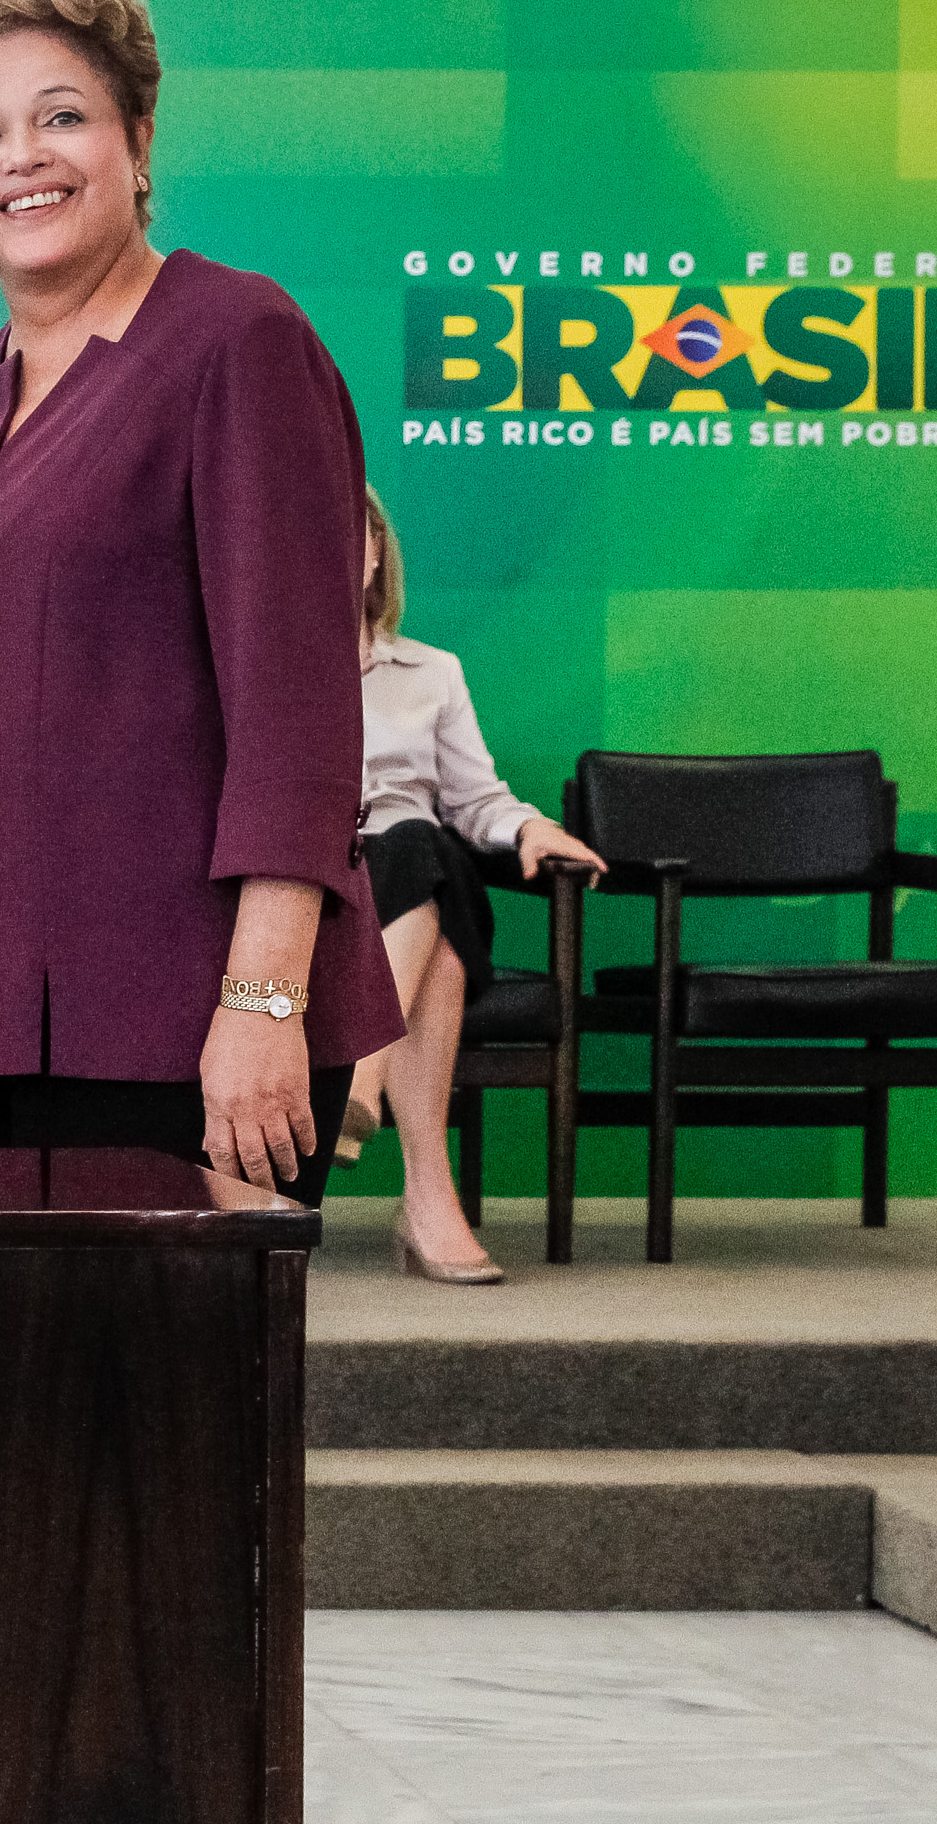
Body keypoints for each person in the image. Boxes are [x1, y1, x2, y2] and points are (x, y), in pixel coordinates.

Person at [0, 0, 395, 1196]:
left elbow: (296, 721)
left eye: (60, 116)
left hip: (190, 1012)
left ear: (136, 134)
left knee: (181, 1391)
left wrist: (262, 1005)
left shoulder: (238, 340)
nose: (21, 159)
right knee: (23, 1388)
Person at [338, 486, 606, 1280]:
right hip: (324, 903)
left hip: (418, 869)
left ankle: (363, 1080)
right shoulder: (258, 670)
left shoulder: (432, 673)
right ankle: (428, 1201)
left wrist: (529, 829)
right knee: (443, 959)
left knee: (420, 838)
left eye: (348, 533)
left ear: (377, 553)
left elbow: (477, 799)